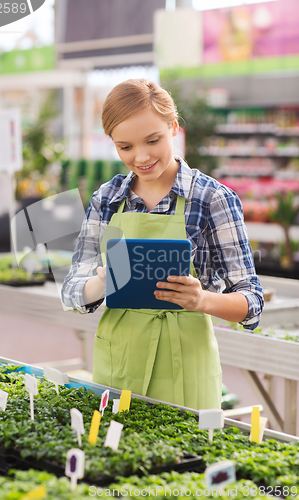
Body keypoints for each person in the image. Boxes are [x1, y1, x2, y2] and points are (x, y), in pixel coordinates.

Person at [62, 79, 264, 410]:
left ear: (173, 127)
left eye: (152, 140)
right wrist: (99, 283)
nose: (140, 157)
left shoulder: (211, 198)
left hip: (185, 366)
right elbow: (71, 291)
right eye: (125, 147)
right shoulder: (107, 199)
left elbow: (251, 301)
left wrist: (201, 300)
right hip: (118, 363)